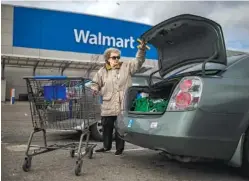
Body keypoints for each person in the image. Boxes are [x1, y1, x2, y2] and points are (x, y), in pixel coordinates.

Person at [91, 40, 148, 156]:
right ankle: (106, 147)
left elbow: (138, 61)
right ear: (108, 59)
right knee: (107, 127)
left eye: (118, 57)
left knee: (119, 127)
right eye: (114, 57)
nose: (117, 59)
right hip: (108, 104)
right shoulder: (102, 71)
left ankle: (119, 149)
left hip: (122, 104)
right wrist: (95, 88)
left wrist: (141, 50)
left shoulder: (126, 67)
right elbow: (95, 83)